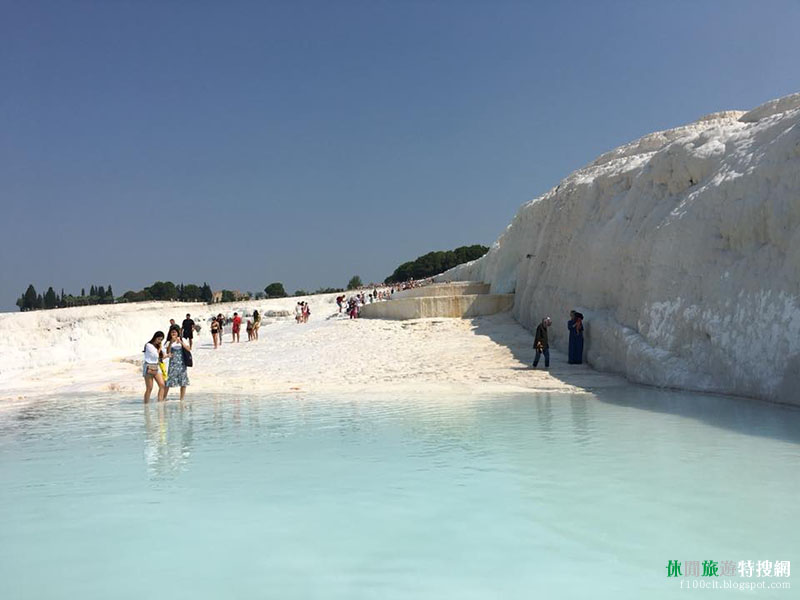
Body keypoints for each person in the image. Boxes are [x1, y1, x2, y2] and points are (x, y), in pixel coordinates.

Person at [163, 326, 191, 401]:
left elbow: (188, 349)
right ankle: (164, 397)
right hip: (173, 364)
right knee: (169, 380)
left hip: (182, 363)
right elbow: (167, 352)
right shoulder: (168, 341)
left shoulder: (183, 339)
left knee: (183, 381)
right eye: (172, 332)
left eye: (175, 332)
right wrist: (171, 342)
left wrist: (181, 342)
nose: (173, 333)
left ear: (178, 333)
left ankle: (182, 399)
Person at [143, 331, 166, 403]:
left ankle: (160, 402)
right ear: (155, 337)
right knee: (149, 388)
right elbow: (156, 355)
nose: (159, 341)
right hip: (148, 366)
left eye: (161, 340)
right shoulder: (148, 345)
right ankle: (146, 405)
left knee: (162, 385)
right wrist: (159, 348)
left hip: (156, 366)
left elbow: (159, 357)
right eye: (159, 339)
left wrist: (167, 355)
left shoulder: (157, 346)